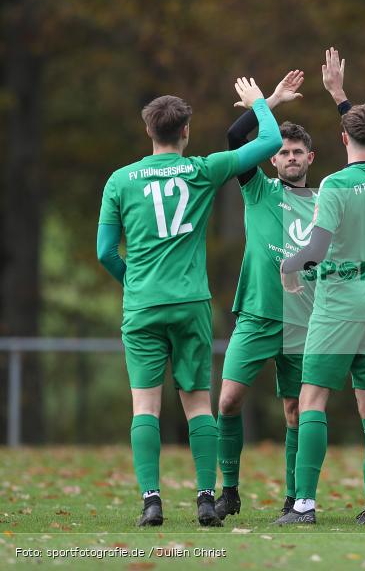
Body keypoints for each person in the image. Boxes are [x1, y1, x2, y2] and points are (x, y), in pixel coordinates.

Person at [96, 78, 282, 527]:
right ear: (185, 132)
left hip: (142, 305)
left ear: (149, 132)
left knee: (145, 406)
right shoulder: (201, 169)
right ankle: (203, 499)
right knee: (198, 403)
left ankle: (151, 501)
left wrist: (134, 284)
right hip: (190, 303)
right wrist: (262, 103)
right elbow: (272, 141)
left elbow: (104, 252)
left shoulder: (120, 180)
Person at [276, 75, 365, 524]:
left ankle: (304, 504)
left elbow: (315, 250)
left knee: (312, 398)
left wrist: (288, 266)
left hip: (338, 303)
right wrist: (344, 99)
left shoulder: (336, 184)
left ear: (342, 139)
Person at [212, 70, 316, 522]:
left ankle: (295, 498)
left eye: (297, 152)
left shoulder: (323, 199)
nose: (290, 158)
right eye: (284, 153)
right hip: (255, 315)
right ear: (273, 160)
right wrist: (269, 101)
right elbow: (236, 135)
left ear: (310, 158)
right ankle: (229, 490)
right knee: (227, 401)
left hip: (302, 320)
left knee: (295, 411)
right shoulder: (257, 189)